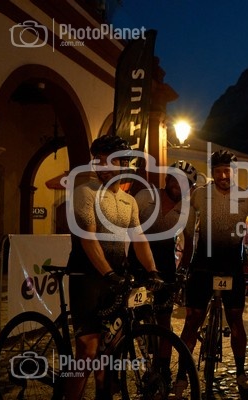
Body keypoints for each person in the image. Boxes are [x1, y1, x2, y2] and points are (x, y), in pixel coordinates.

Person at [65, 135, 164, 399]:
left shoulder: (128, 201)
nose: (103, 167)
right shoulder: (85, 192)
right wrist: (108, 273)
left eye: (110, 161)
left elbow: (139, 239)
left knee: (109, 351)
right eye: (98, 161)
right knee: (87, 352)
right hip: (87, 278)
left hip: (115, 279)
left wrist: (153, 271)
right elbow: (88, 238)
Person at [179, 149, 248, 392]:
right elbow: (187, 227)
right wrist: (186, 259)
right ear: (213, 173)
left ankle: (241, 373)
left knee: (236, 319)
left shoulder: (247, 197)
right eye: (218, 171)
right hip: (203, 265)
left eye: (227, 171)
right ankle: (182, 375)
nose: (223, 175)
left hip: (232, 266)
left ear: (234, 172)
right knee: (192, 320)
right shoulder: (200, 194)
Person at [127, 160, 198, 394]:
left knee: (164, 322)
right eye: (176, 179)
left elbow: (189, 242)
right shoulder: (145, 197)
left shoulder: (186, 210)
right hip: (137, 266)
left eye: (186, 183)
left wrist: (182, 271)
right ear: (167, 179)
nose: (179, 185)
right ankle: (119, 369)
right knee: (132, 320)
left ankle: (164, 370)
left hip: (166, 269)